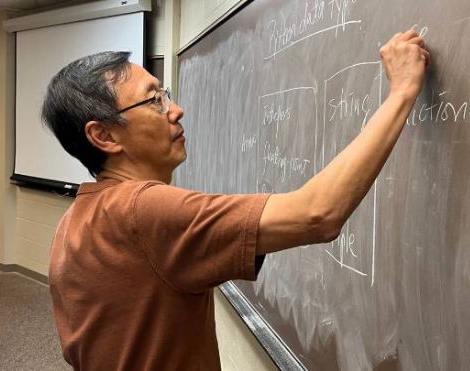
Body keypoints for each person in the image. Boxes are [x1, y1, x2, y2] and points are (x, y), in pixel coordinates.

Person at [43, 29, 431, 370]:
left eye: (165, 95)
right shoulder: (144, 211)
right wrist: (401, 93)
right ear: (104, 137)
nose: (176, 110)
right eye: (154, 101)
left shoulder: (77, 219)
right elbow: (317, 214)